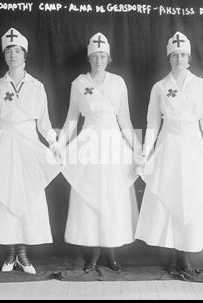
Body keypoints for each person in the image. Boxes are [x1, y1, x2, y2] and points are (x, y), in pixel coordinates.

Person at [0, 28, 61, 274]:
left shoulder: (37, 86)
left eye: (17, 51)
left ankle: (23, 254)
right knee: (5, 197)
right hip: (4, 146)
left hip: (28, 147)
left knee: (28, 198)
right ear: (4, 56)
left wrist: (54, 143)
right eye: (9, 51)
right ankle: (10, 254)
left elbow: (44, 122)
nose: (13, 55)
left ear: (25, 55)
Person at [135, 31, 203, 275]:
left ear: (189, 57)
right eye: (174, 55)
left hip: (193, 146)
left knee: (191, 197)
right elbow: (152, 124)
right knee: (170, 196)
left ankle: (186, 255)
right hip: (168, 146)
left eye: (183, 54)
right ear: (169, 58)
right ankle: (175, 255)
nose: (179, 59)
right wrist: (145, 155)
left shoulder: (200, 85)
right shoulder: (160, 87)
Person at [56, 32, 140, 273]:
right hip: (88, 145)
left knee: (113, 196)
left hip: (113, 144)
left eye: (103, 56)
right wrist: (59, 145)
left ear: (108, 57)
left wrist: (138, 149)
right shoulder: (79, 84)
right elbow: (71, 120)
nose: (99, 60)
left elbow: (124, 119)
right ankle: (92, 252)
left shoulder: (118, 82)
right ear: (89, 58)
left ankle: (111, 252)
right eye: (95, 56)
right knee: (89, 195)